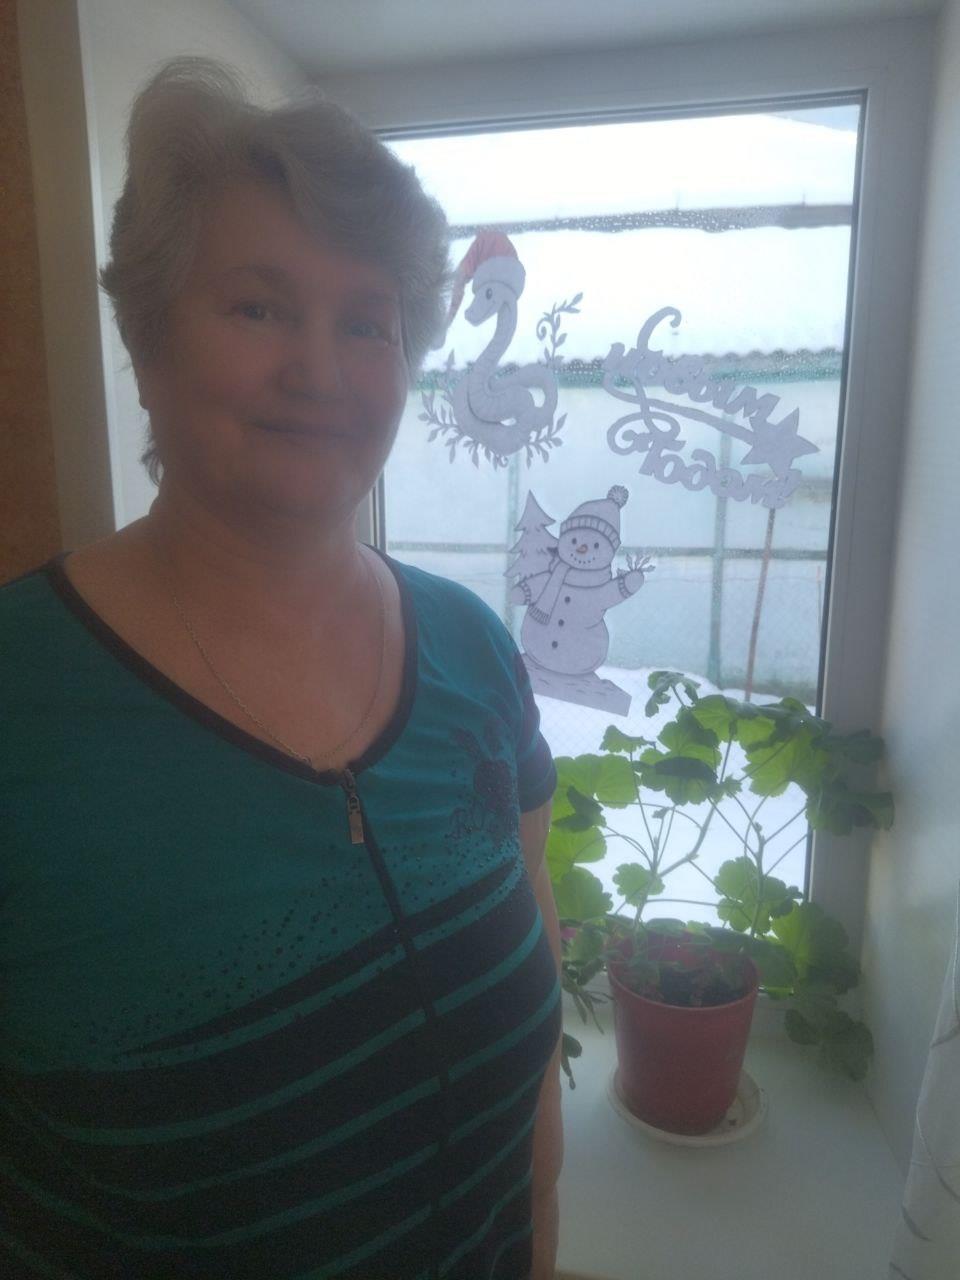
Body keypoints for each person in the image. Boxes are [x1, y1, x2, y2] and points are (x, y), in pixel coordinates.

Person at [0, 59, 562, 1280]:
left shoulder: (475, 650)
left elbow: (531, 1056)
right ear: (150, 342)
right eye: (259, 308)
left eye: (367, 321)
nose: (321, 370)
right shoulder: (19, 703)